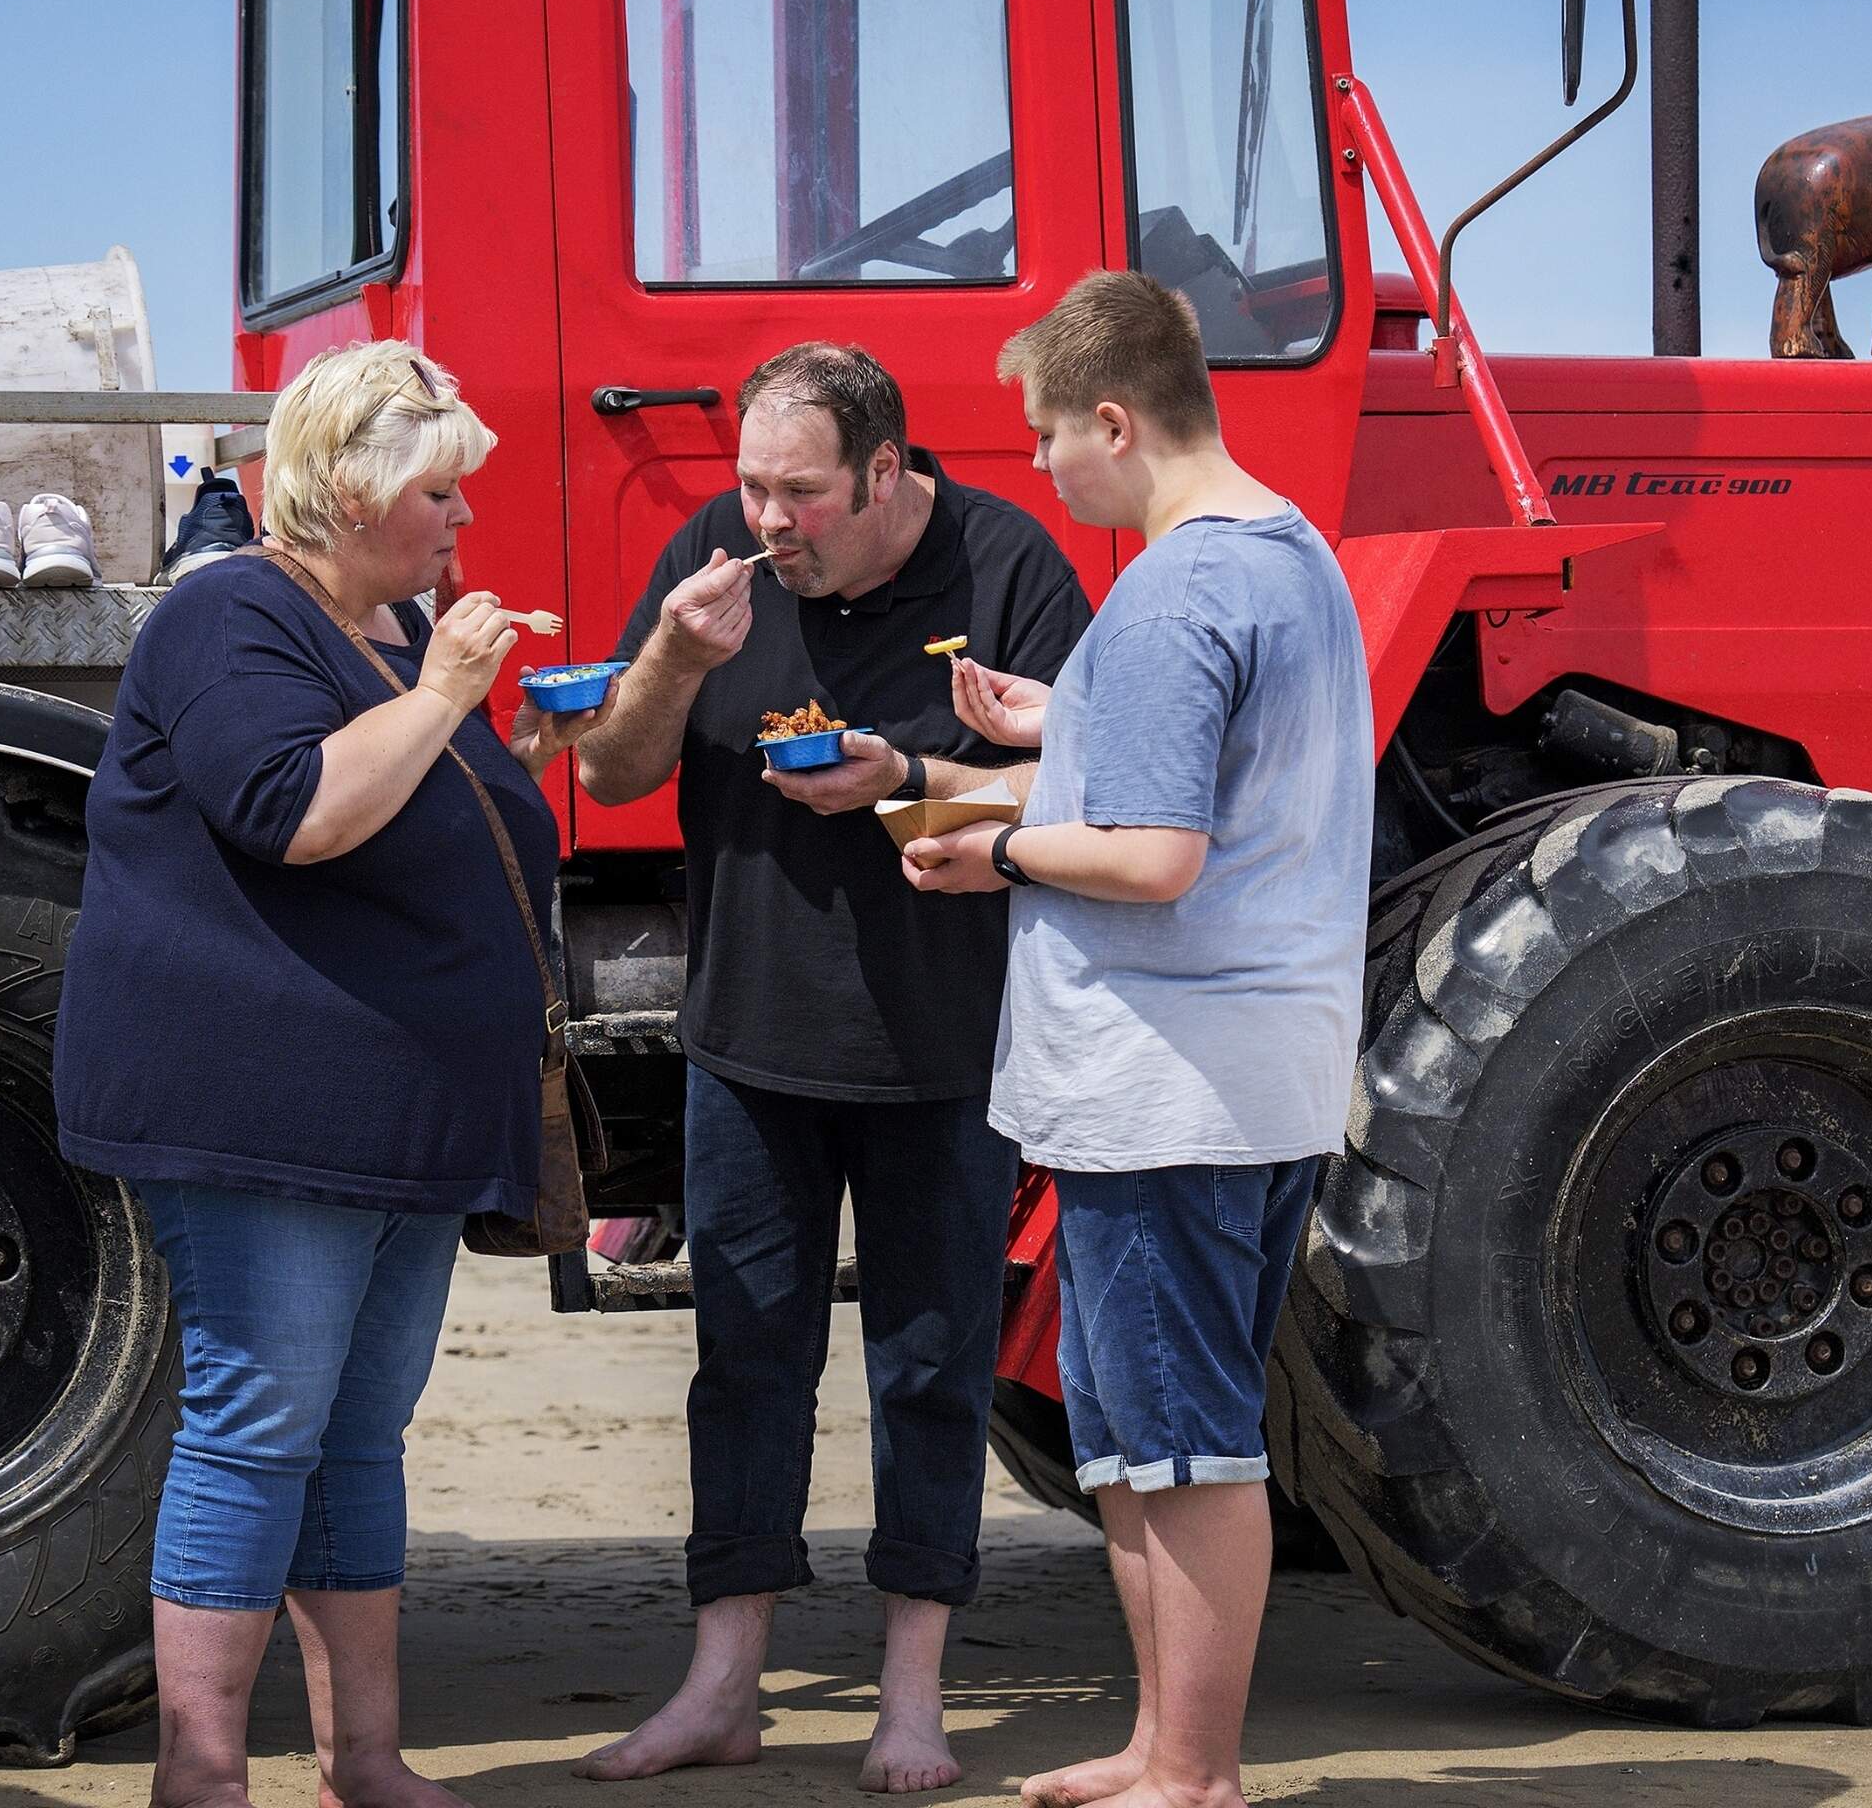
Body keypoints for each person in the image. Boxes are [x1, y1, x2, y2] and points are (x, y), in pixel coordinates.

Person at [52, 339, 594, 1808]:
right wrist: (446, 694)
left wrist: (505, 734)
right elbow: (290, 813)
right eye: (438, 496)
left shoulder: (385, 636)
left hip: (393, 1119)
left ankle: (364, 1756)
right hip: (268, 1117)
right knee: (259, 1424)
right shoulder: (229, 615)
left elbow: (414, 820)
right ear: (350, 496)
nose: (460, 524)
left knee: (357, 1435)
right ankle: (204, 1775)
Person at [573, 344, 1091, 1793]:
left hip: (944, 1050)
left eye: (801, 492)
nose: (769, 520)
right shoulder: (716, 561)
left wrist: (908, 779)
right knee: (743, 1362)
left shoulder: (1007, 562)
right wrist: (679, 652)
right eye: (752, 487)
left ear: (887, 472)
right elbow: (609, 772)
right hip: (749, 1040)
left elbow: (1099, 781)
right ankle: (723, 1683)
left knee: (931, 1369)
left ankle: (912, 1696)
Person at [902, 272, 1372, 1808]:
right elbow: (1226, 770)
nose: (1040, 467)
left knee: (1183, 1444)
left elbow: (1158, 858)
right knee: (1142, 1437)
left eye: (1047, 435)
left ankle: (1196, 1768)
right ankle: (1166, 1749)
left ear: (1115, 419)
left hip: (1168, 1083)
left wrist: (1001, 854)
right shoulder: (1289, 551)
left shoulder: (1172, 589)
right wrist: (1066, 719)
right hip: (1254, 1071)